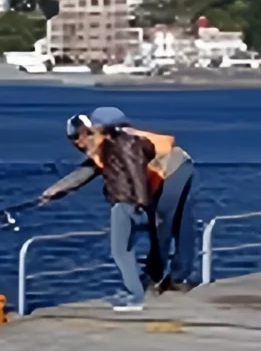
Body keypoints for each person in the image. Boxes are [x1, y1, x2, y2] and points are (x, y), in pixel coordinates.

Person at [41, 107, 188, 307]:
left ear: (91, 131)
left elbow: (134, 173)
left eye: (77, 137)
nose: (76, 144)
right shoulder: (113, 143)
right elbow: (85, 173)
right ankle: (150, 282)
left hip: (136, 198)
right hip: (141, 198)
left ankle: (137, 294)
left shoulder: (120, 146)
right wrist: (56, 190)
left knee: (123, 251)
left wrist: (141, 202)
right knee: (147, 240)